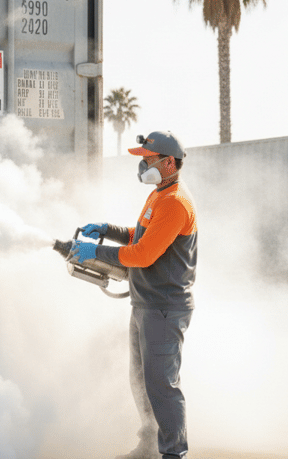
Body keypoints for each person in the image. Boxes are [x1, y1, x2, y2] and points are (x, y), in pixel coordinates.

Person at [70, 130, 197, 459]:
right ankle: (149, 447)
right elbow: (138, 235)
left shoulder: (175, 202)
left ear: (169, 162)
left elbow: (143, 254)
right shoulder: (159, 194)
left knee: (162, 386)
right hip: (145, 304)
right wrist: (108, 230)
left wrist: (95, 251)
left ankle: (173, 454)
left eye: (148, 159)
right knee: (141, 380)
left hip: (164, 308)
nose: (142, 165)